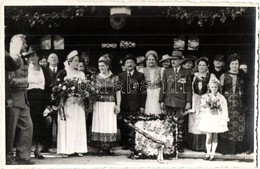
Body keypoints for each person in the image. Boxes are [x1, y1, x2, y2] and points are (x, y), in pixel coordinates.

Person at [6, 34, 35, 164]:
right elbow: (10, 81)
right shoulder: (11, 59)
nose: (25, 45)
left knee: (28, 126)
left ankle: (23, 156)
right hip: (13, 99)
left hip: (23, 99)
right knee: (9, 132)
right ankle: (7, 158)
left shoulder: (22, 59)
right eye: (23, 43)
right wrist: (27, 82)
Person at [54, 50, 88, 157]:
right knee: (67, 125)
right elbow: (57, 89)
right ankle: (66, 149)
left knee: (78, 124)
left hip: (78, 103)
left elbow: (85, 88)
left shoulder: (81, 74)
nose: (77, 63)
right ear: (69, 61)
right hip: (67, 103)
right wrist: (64, 97)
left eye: (78, 61)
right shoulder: (63, 73)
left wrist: (82, 96)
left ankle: (79, 148)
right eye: (75, 61)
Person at [159, 50, 192, 153]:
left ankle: (179, 145)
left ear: (181, 61)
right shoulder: (167, 71)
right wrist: (161, 100)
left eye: (175, 60)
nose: (173, 62)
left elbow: (188, 88)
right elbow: (163, 86)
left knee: (180, 124)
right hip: (168, 100)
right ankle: (169, 144)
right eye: (171, 60)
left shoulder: (186, 72)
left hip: (180, 101)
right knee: (168, 123)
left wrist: (188, 101)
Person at [91, 54, 121, 156]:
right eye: (99, 66)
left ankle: (108, 147)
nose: (101, 68)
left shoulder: (115, 77)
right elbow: (91, 91)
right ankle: (100, 147)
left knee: (109, 124)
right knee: (100, 123)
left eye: (103, 66)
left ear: (108, 66)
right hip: (98, 104)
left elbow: (118, 92)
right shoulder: (95, 77)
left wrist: (118, 105)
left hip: (110, 104)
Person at [25, 46, 52, 159]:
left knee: (40, 125)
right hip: (28, 99)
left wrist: (48, 104)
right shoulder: (25, 69)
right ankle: (26, 151)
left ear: (38, 56)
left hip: (41, 99)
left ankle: (37, 150)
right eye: (29, 56)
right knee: (27, 125)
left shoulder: (45, 70)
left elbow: (48, 88)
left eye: (33, 55)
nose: (31, 58)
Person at [217, 53, 246, 154]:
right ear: (229, 65)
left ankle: (237, 149)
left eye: (236, 63)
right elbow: (219, 91)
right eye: (232, 63)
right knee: (227, 124)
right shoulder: (224, 76)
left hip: (239, 105)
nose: (234, 65)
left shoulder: (242, 76)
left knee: (238, 126)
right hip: (227, 104)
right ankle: (226, 149)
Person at [118, 54, 146, 151]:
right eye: (127, 63)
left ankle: (134, 142)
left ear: (134, 64)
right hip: (124, 104)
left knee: (134, 124)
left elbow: (143, 92)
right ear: (125, 65)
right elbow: (118, 91)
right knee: (124, 124)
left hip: (135, 104)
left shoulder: (140, 76)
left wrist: (142, 105)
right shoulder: (120, 76)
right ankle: (125, 142)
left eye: (131, 62)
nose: (129, 64)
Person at [198, 76, 229, 161]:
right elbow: (202, 107)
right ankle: (208, 153)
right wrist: (208, 109)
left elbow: (224, 108)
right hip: (209, 117)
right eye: (212, 87)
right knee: (208, 136)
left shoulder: (221, 97)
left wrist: (221, 115)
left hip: (217, 118)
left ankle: (212, 154)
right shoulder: (205, 96)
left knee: (215, 136)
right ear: (209, 87)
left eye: (215, 87)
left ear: (218, 87)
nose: (214, 88)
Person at [187, 57, 213, 151]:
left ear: (207, 66)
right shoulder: (193, 76)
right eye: (200, 65)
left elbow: (215, 87)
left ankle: (203, 146)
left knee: (204, 121)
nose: (201, 67)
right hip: (195, 100)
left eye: (203, 65)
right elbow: (189, 89)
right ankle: (193, 145)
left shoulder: (210, 76)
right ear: (197, 66)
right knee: (194, 122)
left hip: (205, 101)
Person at [143, 50, 162, 115]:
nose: (151, 61)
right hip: (147, 93)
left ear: (156, 60)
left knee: (158, 111)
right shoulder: (142, 70)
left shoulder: (161, 69)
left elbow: (163, 83)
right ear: (147, 60)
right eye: (149, 59)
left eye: (153, 59)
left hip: (158, 92)